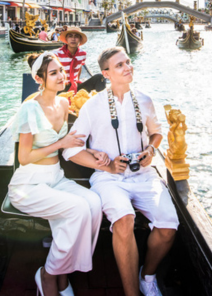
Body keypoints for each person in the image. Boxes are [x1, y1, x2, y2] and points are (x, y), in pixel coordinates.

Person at [63, 47, 179, 296]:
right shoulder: (93, 106)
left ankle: (147, 276)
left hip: (144, 175)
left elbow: (157, 132)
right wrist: (105, 165)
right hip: (108, 178)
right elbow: (70, 150)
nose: (128, 67)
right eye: (119, 65)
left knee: (169, 225)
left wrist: (150, 149)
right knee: (124, 220)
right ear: (106, 73)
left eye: (128, 62)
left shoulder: (145, 100)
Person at [8, 52, 105, 296]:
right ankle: (49, 275)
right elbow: (24, 157)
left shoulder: (64, 103)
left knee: (94, 203)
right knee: (77, 209)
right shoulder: (30, 107)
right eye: (53, 73)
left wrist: (95, 152)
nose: (61, 75)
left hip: (56, 177)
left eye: (61, 70)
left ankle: (63, 274)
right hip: (29, 184)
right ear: (39, 79)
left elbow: (78, 135)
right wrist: (60, 144)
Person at [54, 27, 105, 94]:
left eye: (76, 36)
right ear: (66, 39)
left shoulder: (82, 54)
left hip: (74, 86)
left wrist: (76, 81)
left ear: (80, 40)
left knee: (99, 78)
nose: (73, 39)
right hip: (61, 87)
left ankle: (102, 101)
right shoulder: (56, 54)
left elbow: (79, 69)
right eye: (70, 36)